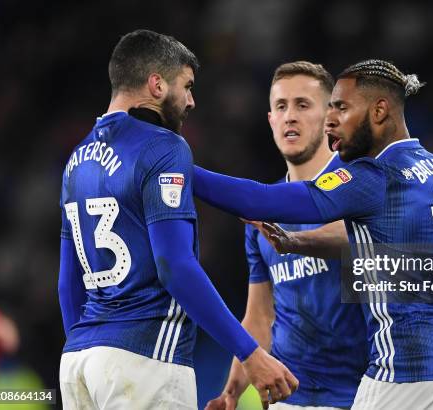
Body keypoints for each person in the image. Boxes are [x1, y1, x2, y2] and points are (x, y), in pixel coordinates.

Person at [192, 59, 433, 409]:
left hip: (409, 367)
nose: (332, 120)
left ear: (379, 111)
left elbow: (260, 199)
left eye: (341, 108)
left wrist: (179, 168)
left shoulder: (372, 177)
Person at [57, 29, 297, 410]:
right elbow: (175, 268)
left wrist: (90, 347)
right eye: (186, 86)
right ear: (156, 84)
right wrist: (250, 354)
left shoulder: (76, 162)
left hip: (79, 363)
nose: (191, 100)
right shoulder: (164, 147)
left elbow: (68, 283)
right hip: (145, 359)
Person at [205, 62, 367, 410]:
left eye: (302, 105)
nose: (290, 116)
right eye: (281, 106)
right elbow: (260, 316)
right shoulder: (262, 214)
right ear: (271, 121)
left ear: (329, 117)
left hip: (362, 396)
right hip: (290, 398)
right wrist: (232, 390)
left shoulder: (361, 184)